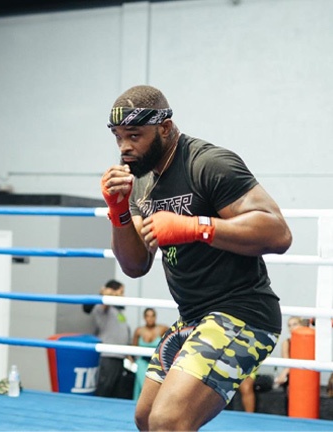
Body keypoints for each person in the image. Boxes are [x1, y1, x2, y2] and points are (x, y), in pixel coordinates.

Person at [100, 85, 292, 430]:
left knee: (168, 420)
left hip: (243, 314)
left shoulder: (208, 163)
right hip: (192, 316)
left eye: (134, 135)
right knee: (146, 418)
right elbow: (134, 266)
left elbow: (278, 233)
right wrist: (119, 213)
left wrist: (197, 227)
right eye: (118, 137)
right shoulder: (139, 180)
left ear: (165, 127)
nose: (125, 147)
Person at [83, 279, 133, 399]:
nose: (123, 295)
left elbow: (122, 332)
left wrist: (128, 353)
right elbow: (104, 302)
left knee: (116, 392)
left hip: (120, 356)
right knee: (104, 389)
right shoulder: (103, 308)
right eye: (121, 292)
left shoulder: (118, 311)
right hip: (108, 356)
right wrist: (108, 293)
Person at [131, 308, 168, 400]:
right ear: (144, 318)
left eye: (152, 316)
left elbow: (170, 344)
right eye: (148, 316)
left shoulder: (162, 329)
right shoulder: (139, 331)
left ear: (155, 317)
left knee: (154, 388)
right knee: (142, 386)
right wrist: (132, 363)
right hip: (142, 362)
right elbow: (132, 349)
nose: (150, 319)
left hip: (156, 363)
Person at [274, 316, 306, 387]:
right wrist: (283, 375)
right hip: (292, 373)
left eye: (295, 324)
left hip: (307, 372)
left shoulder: (308, 341)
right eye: (289, 325)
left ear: (301, 325)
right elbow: (287, 364)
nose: (291, 327)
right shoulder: (286, 343)